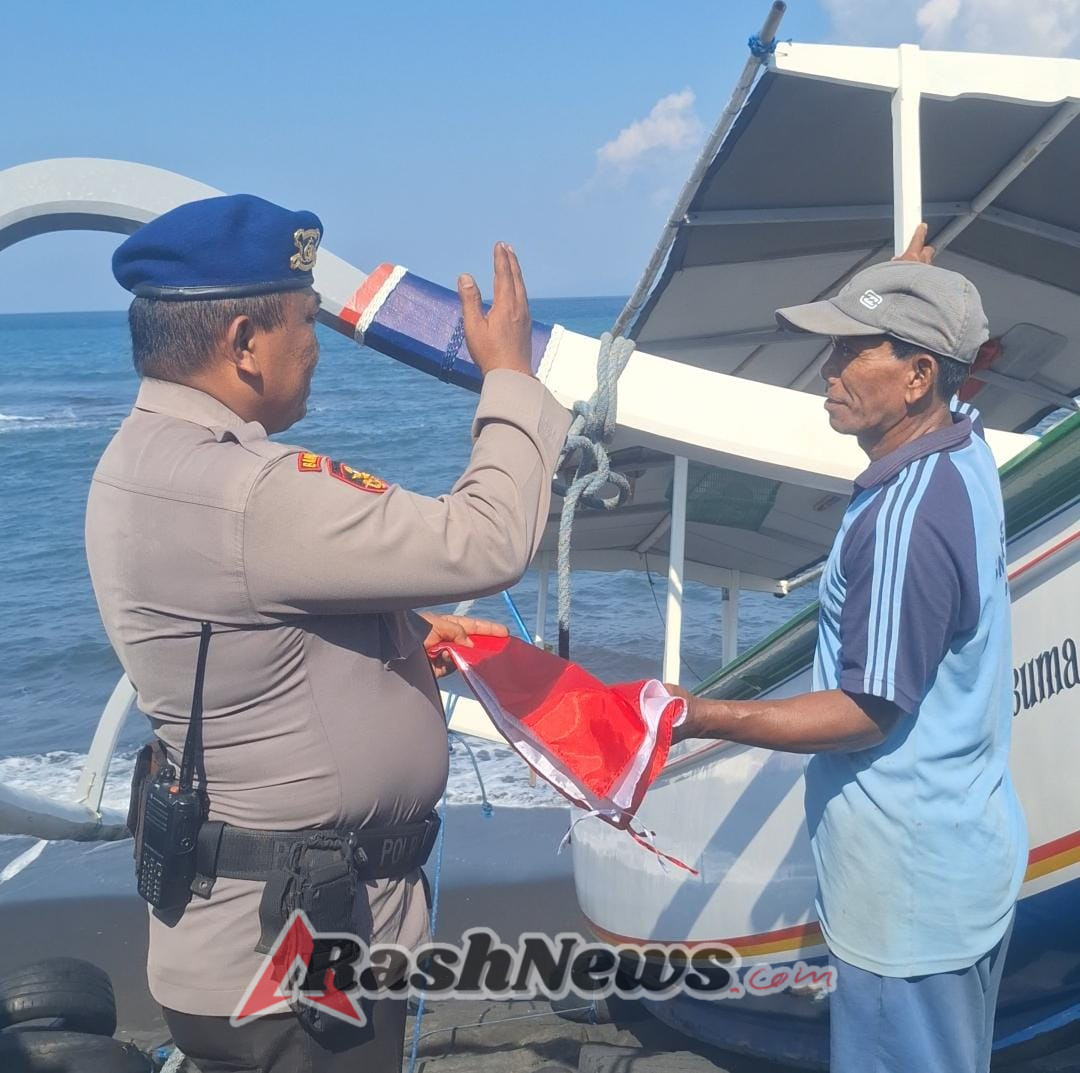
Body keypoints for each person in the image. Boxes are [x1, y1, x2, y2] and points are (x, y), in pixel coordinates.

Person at [85, 193, 571, 1072]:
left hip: (236, 930)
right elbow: (486, 538)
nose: (316, 351)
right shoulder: (250, 491)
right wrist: (512, 379)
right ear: (243, 342)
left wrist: (394, 634)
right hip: (301, 959)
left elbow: (237, 623)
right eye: (305, 322)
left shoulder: (137, 461)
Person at [669, 233, 1028, 1073]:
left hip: (906, 903)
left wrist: (698, 714)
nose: (826, 369)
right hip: (959, 864)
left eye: (850, 351)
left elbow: (867, 710)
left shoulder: (906, 516)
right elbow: (947, 377)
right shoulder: (962, 447)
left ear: (918, 377)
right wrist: (909, 289)